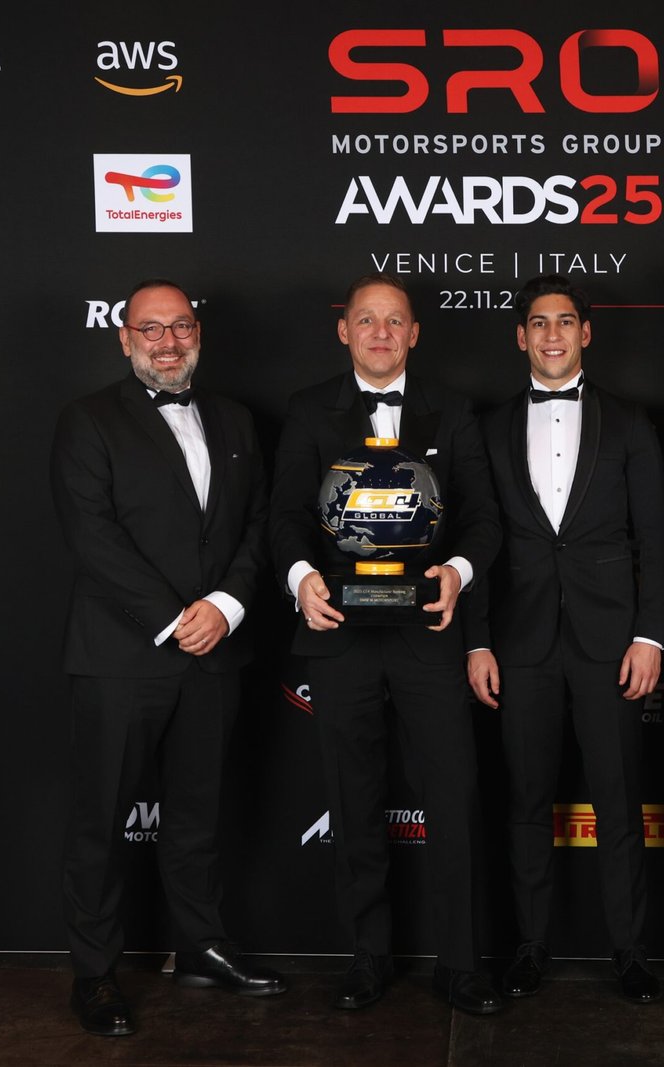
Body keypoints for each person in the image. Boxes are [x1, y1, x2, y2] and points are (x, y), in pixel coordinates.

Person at [50, 279, 284, 1037]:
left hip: (215, 651)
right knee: (101, 821)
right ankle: (94, 973)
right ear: (125, 338)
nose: (167, 342)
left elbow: (258, 525)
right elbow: (93, 536)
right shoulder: (88, 419)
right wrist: (173, 619)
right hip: (122, 656)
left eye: (180, 327)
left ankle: (201, 947)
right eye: (151, 329)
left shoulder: (237, 418)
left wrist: (227, 607)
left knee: (198, 816)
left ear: (198, 335)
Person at [269, 272, 504, 1015]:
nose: (380, 332)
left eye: (394, 320)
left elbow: (484, 519)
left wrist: (458, 572)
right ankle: (367, 956)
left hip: (429, 630)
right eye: (366, 319)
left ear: (414, 333)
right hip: (338, 633)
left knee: (454, 795)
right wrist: (302, 579)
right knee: (353, 796)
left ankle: (460, 962)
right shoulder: (308, 409)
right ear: (344, 331)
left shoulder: (454, 410)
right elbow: (284, 517)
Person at [463, 275, 664, 1003]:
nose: (551, 335)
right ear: (520, 336)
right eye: (538, 323)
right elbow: (475, 541)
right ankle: (530, 944)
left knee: (619, 800)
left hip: (611, 642)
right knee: (526, 800)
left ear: (586, 332)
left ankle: (630, 950)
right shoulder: (487, 427)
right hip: (518, 643)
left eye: (564, 322)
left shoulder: (631, 423)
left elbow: (657, 538)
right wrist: (477, 642)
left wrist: (651, 636)